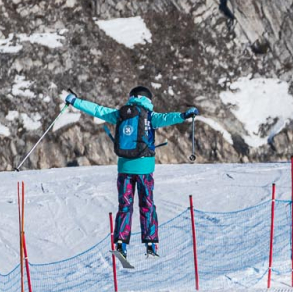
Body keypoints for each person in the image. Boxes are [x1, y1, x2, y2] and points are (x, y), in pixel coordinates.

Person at [63, 87, 198, 259]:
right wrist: (184, 115)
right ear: (148, 99)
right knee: (147, 204)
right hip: (145, 170)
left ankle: (120, 244)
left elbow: (97, 109)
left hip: (124, 169)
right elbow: (168, 118)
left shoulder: (120, 114)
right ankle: (151, 243)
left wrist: (75, 101)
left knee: (125, 206)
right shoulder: (150, 116)